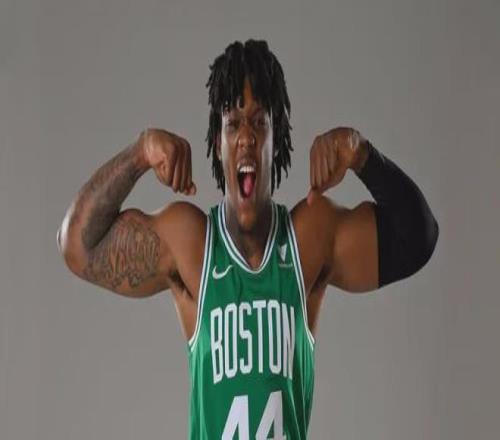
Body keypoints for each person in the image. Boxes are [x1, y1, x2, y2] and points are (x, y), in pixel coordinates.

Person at [57, 39, 439, 439]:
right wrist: (140, 153)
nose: (246, 138)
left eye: (260, 123)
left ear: (278, 141)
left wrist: (361, 154)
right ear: (217, 144)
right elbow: (78, 246)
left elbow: (418, 238)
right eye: (233, 123)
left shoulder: (308, 239)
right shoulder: (191, 244)